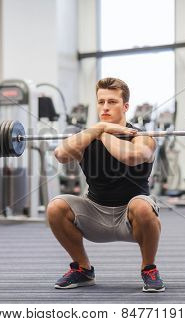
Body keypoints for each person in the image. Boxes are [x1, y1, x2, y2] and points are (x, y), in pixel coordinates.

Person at [47, 77, 164, 293]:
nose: (105, 107)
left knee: (142, 206)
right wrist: (99, 129)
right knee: (55, 207)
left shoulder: (142, 136)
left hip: (131, 216)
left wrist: (103, 133)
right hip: (95, 213)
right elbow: (61, 155)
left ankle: (149, 268)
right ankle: (83, 269)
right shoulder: (87, 137)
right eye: (101, 102)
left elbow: (131, 156)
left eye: (112, 102)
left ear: (125, 106)